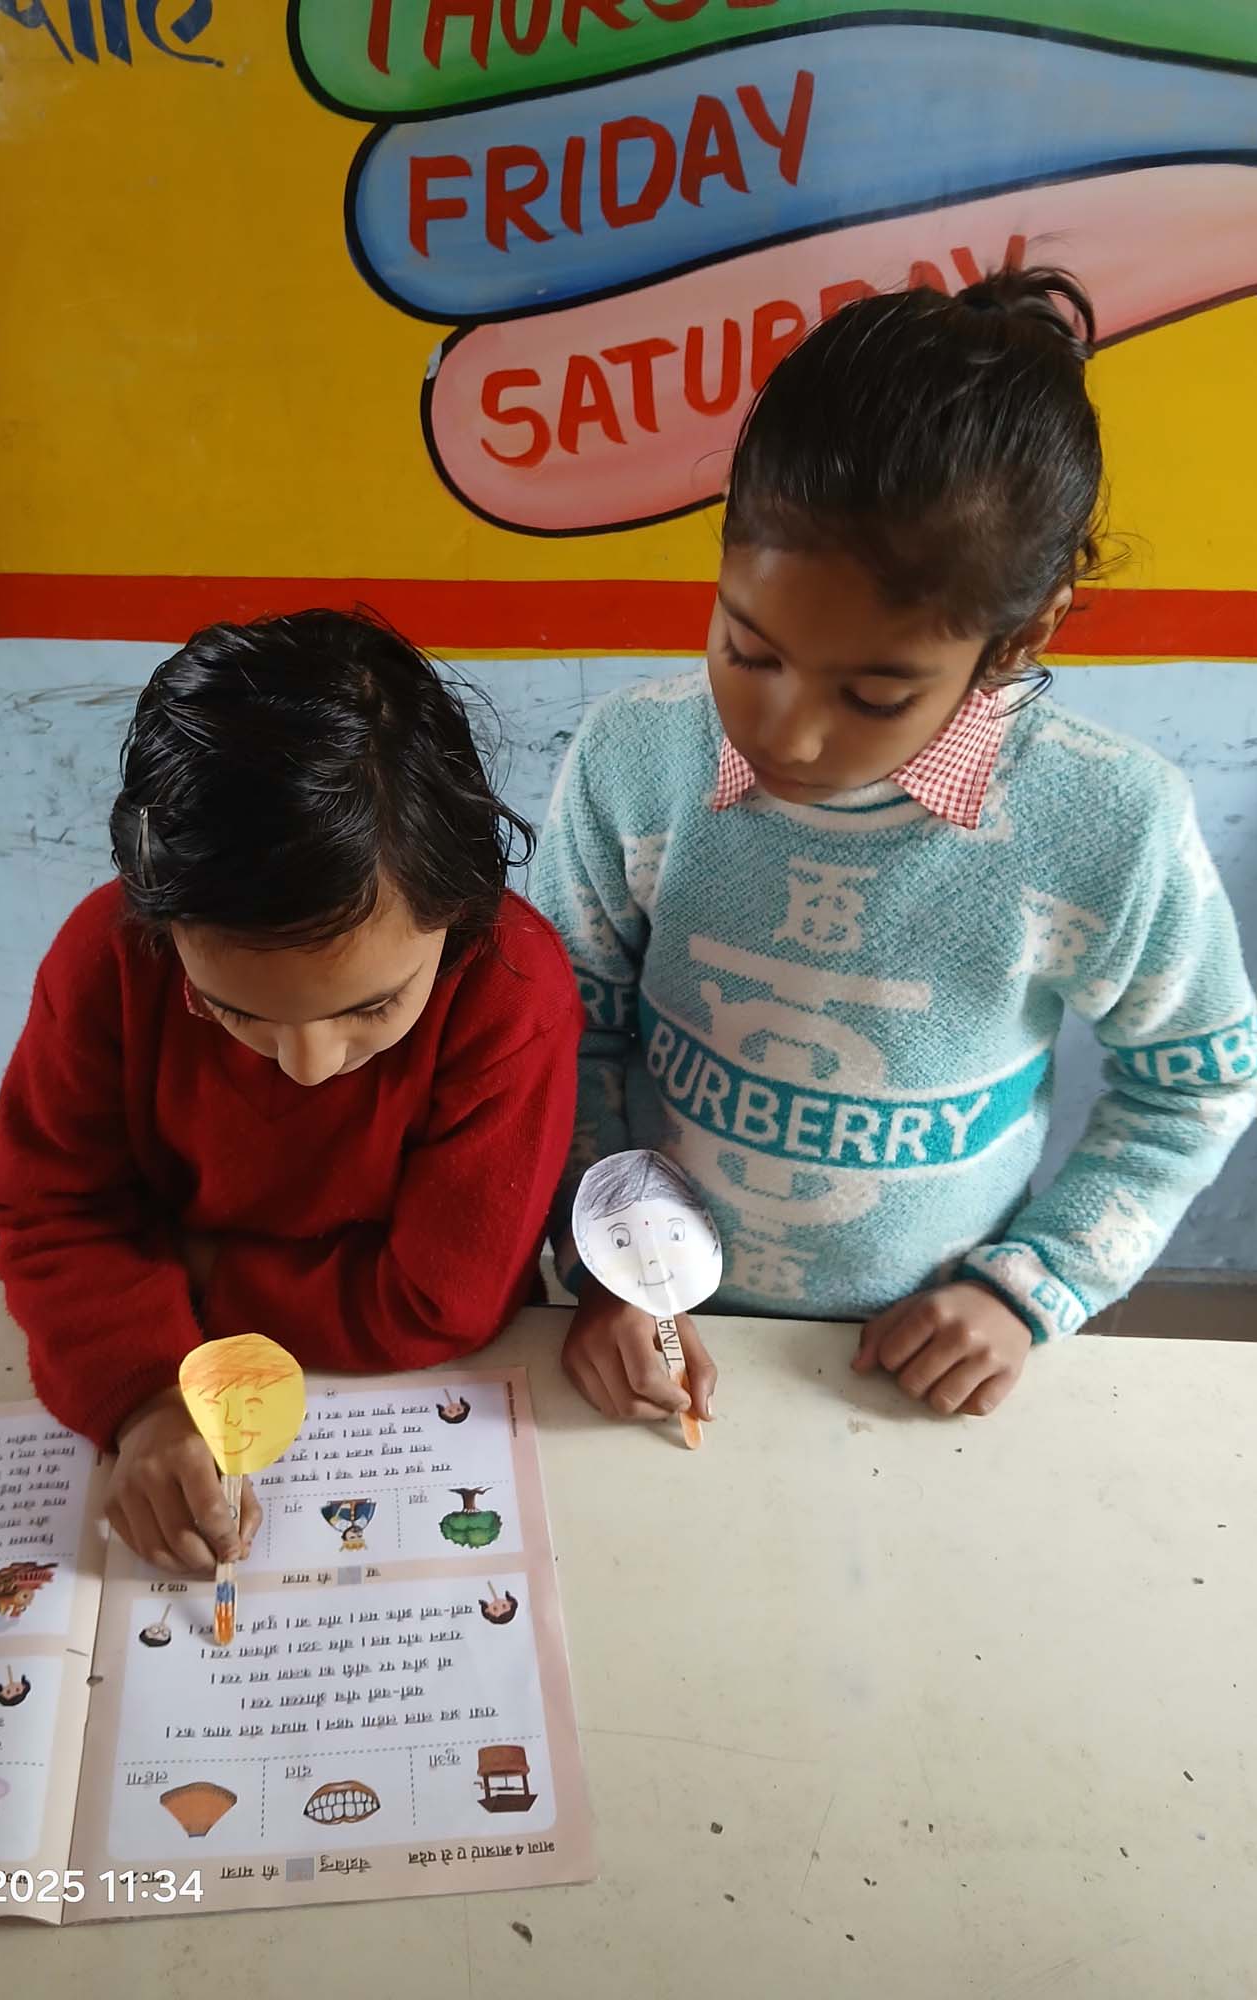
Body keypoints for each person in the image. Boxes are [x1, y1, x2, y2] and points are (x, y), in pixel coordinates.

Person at [531, 268, 1255, 1426]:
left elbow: (1197, 1084)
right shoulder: (636, 757)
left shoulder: (1113, 825)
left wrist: (1028, 1287)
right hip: (645, 1328)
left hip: (903, 1371)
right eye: (747, 649)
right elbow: (566, 1030)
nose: (786, 732)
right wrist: (612, 1268)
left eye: (874, 693)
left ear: (1021, 636)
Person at [0, 610, 580, 1574]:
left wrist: (187, 1274)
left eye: (373, 1006)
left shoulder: (513, 990)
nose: (307, 1065)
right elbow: (48, 1210)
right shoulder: (107, 961)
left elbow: (441, 1304)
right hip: (189, 1374)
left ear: (460, 903)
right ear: (160, 919)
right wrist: (149, 1399)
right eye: (231, 1008)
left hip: (433, 1398)